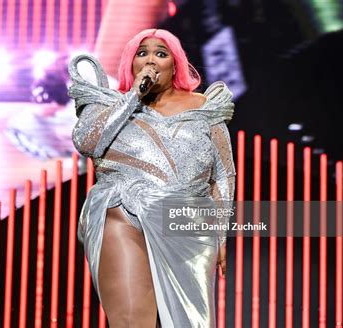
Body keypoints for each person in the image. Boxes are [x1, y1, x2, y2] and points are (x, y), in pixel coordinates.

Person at [68, 28, 235, 327]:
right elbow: (87, 142)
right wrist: (134, 95)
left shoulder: (204, 107)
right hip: (121, 212)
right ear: (130, 64)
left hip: (186, 219)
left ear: (176, 64)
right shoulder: (107, 105)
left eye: (161, 53)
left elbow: (222, 174)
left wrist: (222, 234)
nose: (151, 60)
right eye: (141, 53)